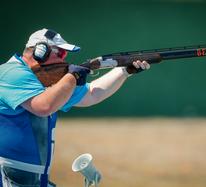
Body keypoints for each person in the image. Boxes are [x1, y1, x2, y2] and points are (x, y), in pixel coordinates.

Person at [0, 28, 150, 187]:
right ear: (40, 51)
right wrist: (73, 77)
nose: (64, 60)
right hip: (8, 176)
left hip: (33, 178)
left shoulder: (41, 79)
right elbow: (44, 106)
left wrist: (124, 71)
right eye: (60, 54)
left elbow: (92, 94)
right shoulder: (11, 73)